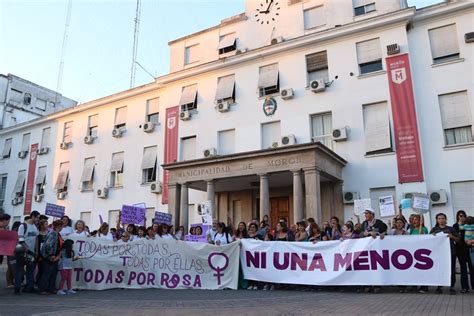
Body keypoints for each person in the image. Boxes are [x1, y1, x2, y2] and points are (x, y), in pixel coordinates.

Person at [359, 208, 387, 293]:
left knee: (376, 266)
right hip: (366, 248)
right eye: (365, 214)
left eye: (367, 213)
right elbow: (360, 233)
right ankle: (367, 284)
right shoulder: (364, 224)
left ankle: (376, 284)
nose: (365, 215)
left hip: (376, 248)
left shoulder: (379, 222)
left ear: (372, 214)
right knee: (367, 266)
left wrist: (383, 234)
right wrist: (367, 233)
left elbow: (385, 231)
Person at [430, 213, 459, 295]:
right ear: (437, 220)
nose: (441, 220)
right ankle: (439, 286)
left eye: (443, 218)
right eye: (439, 218)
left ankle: (452, 286)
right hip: (439, 254)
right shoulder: (434, 229)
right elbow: (428, 240)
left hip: (451, 253)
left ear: (446, 219)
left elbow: (458, 240)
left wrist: (452, 236)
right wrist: (432, 236)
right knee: (439, 269)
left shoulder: (451, 229)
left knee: (451, 270)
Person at [14, 210, 40, 294]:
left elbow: (36, 239)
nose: (38, 219)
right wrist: (27, 249)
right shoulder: (23, 226)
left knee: (31, 270)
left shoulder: (35, 227)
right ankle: (17, 287)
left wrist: (36, 250)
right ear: (32, 216)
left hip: (31, 252)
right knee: (19, 269)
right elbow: (20, 239)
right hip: (21, 251)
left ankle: (30, 286)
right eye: (37, 217)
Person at [39, 220, 63, 295]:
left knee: (53, 273)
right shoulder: (53, 233)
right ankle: (42, 289)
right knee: (47, 273)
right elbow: (48, 245)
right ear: (58, 226)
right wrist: (51, 254)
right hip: (50, 257)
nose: (62, 227)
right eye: (61, 226)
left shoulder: (57, 234)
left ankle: (50, 288)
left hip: (55, 256)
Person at [452, 210, 471, 293]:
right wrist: (460, 226)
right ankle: (465, 287)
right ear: (457, 217)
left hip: (469, 249)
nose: (462, 217)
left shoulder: (469, 225)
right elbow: (457, 236)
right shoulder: (455, 226)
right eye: (460, 216)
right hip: (460, 250)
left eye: (463, 215)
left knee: (472, 268)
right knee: (463, 269)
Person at [35, 219, 49, 286]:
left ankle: (44, 283)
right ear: (42, 225)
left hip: (47, 253)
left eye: (47, 224)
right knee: (40, 268)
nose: (47, 225)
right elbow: (37, 244)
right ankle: (38, 282)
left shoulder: (49, 233)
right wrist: (37, 253)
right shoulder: (38, 233)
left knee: (46, 269)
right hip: (40, 253)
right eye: (45, 224)